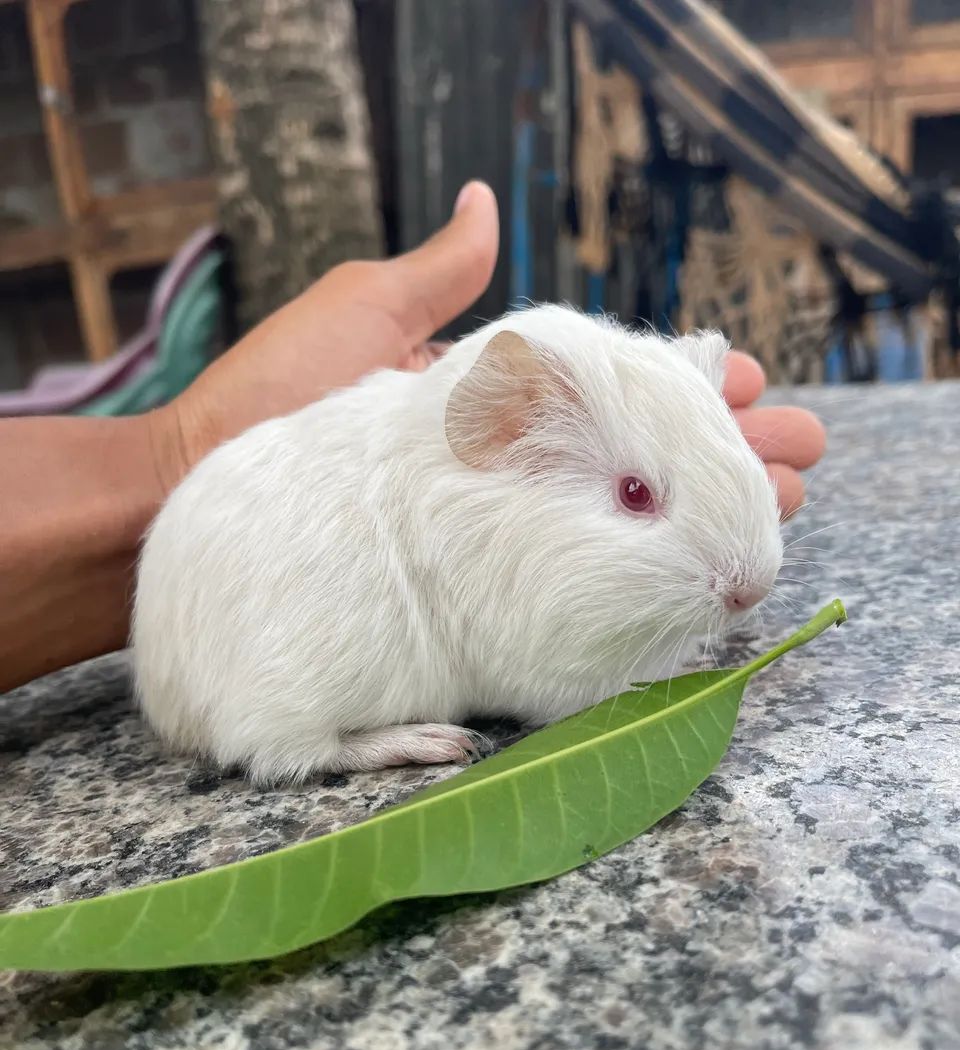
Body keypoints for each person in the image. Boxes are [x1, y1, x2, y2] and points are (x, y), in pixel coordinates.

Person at [0, 181, 825, 695]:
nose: (744, 583)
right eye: (637, 495)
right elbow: (533, 673)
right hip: (255, 685)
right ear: (503, 432)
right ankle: (302, 741)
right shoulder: (447, 508)